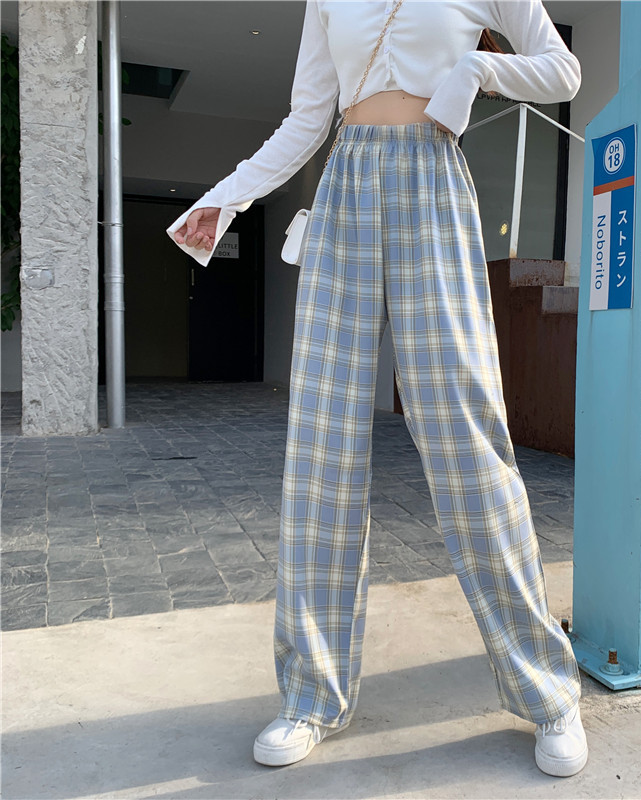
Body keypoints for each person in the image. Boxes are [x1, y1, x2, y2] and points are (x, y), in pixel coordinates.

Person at [166, 0, 587, 779]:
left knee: (470, 447)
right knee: (320, 452)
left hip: (435, 183)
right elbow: (307, 120)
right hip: (346, 187)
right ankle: (311, 695)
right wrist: (228, 195)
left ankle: (548, 691)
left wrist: (478, 68)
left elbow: (563, 72)